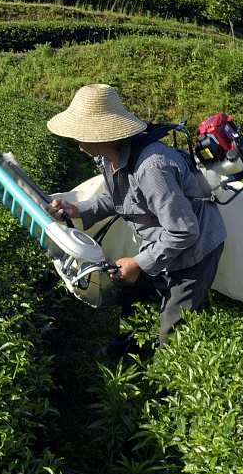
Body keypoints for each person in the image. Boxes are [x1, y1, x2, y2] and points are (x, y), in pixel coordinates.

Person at [44, 83, 227, 350]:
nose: (78, 142)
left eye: (82, 134)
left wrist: (139, 262)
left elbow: (184, 231)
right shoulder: (110, 158)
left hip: (195, 249)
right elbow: (117, 198)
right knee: (132, 292)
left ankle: (164, 376)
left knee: (172, 330)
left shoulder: (152, 168)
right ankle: (132, 345)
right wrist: (79, 210)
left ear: (103, 135)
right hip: (160, 239)